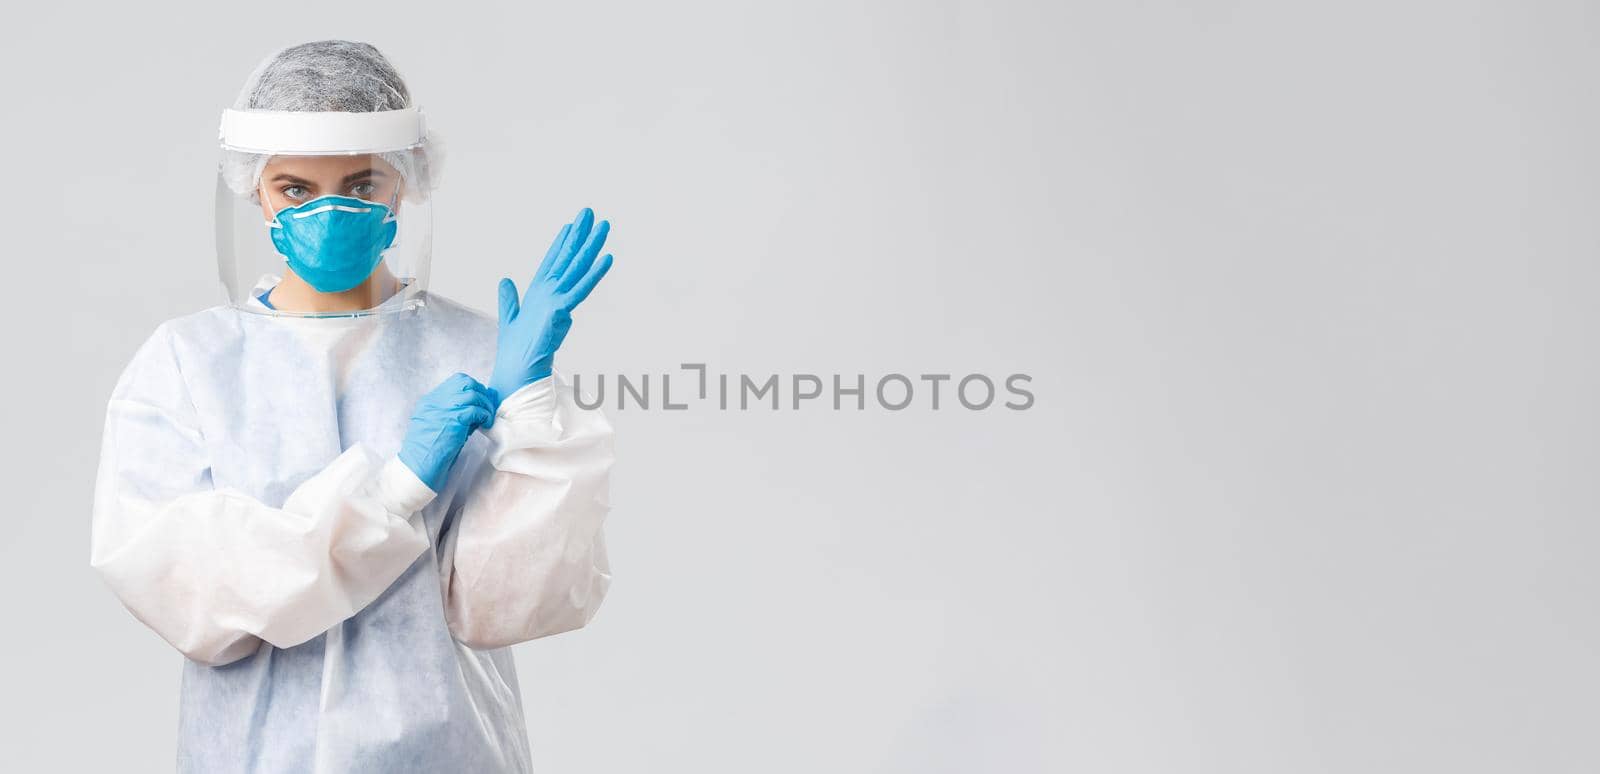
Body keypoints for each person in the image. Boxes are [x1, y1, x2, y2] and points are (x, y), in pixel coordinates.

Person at [89, 40, 615, 772]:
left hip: (449, 752)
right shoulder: (189, 365)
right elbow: (196, 597)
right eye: (296, 189)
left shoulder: (477, 354)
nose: (331, 212)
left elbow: (511, 606)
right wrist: (396, 489)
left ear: (408, 181)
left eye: (363, 183)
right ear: (252, 188)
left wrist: (527, 401)